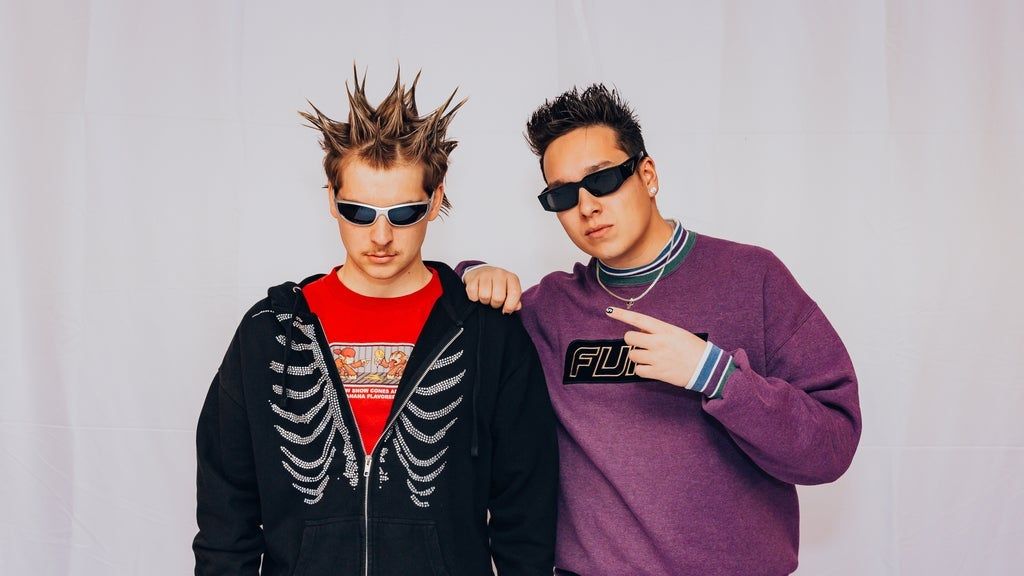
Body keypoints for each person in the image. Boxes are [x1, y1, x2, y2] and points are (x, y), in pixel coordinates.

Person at [461, 84, 862, 575]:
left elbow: (832, 448)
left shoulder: (752, 278)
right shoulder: (550, 310)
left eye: (602, 179)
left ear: (647, 174)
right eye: (563, 194)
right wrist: (472, 273)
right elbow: (447, 315)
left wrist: (716, 375)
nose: (586, 206)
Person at [194, 68, 558, 576]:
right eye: (359, 213)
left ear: (435, 201)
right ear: (331, 200)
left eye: (403, 213)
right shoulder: (270, 333)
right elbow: (225, 514)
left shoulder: (485, 332)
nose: (381, 236)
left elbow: (527, 513)